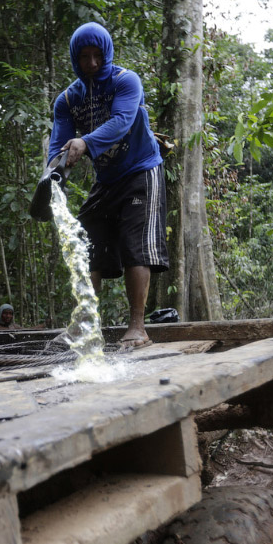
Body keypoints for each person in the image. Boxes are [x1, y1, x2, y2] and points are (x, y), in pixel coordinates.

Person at [47, 22, 167, 349]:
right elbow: (58, 143)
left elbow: (121, 123)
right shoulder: (68, 99)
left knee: (134, 246)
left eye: (98, 55)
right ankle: (84, 326)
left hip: (142, 169)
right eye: (84, 57)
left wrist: (84, 143)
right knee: (86, 241)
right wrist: (51, 176)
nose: (92, 63)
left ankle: (138, 328)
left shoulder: (125, 81)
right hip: (108, 179)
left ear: (107, 53)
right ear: (75, 58)